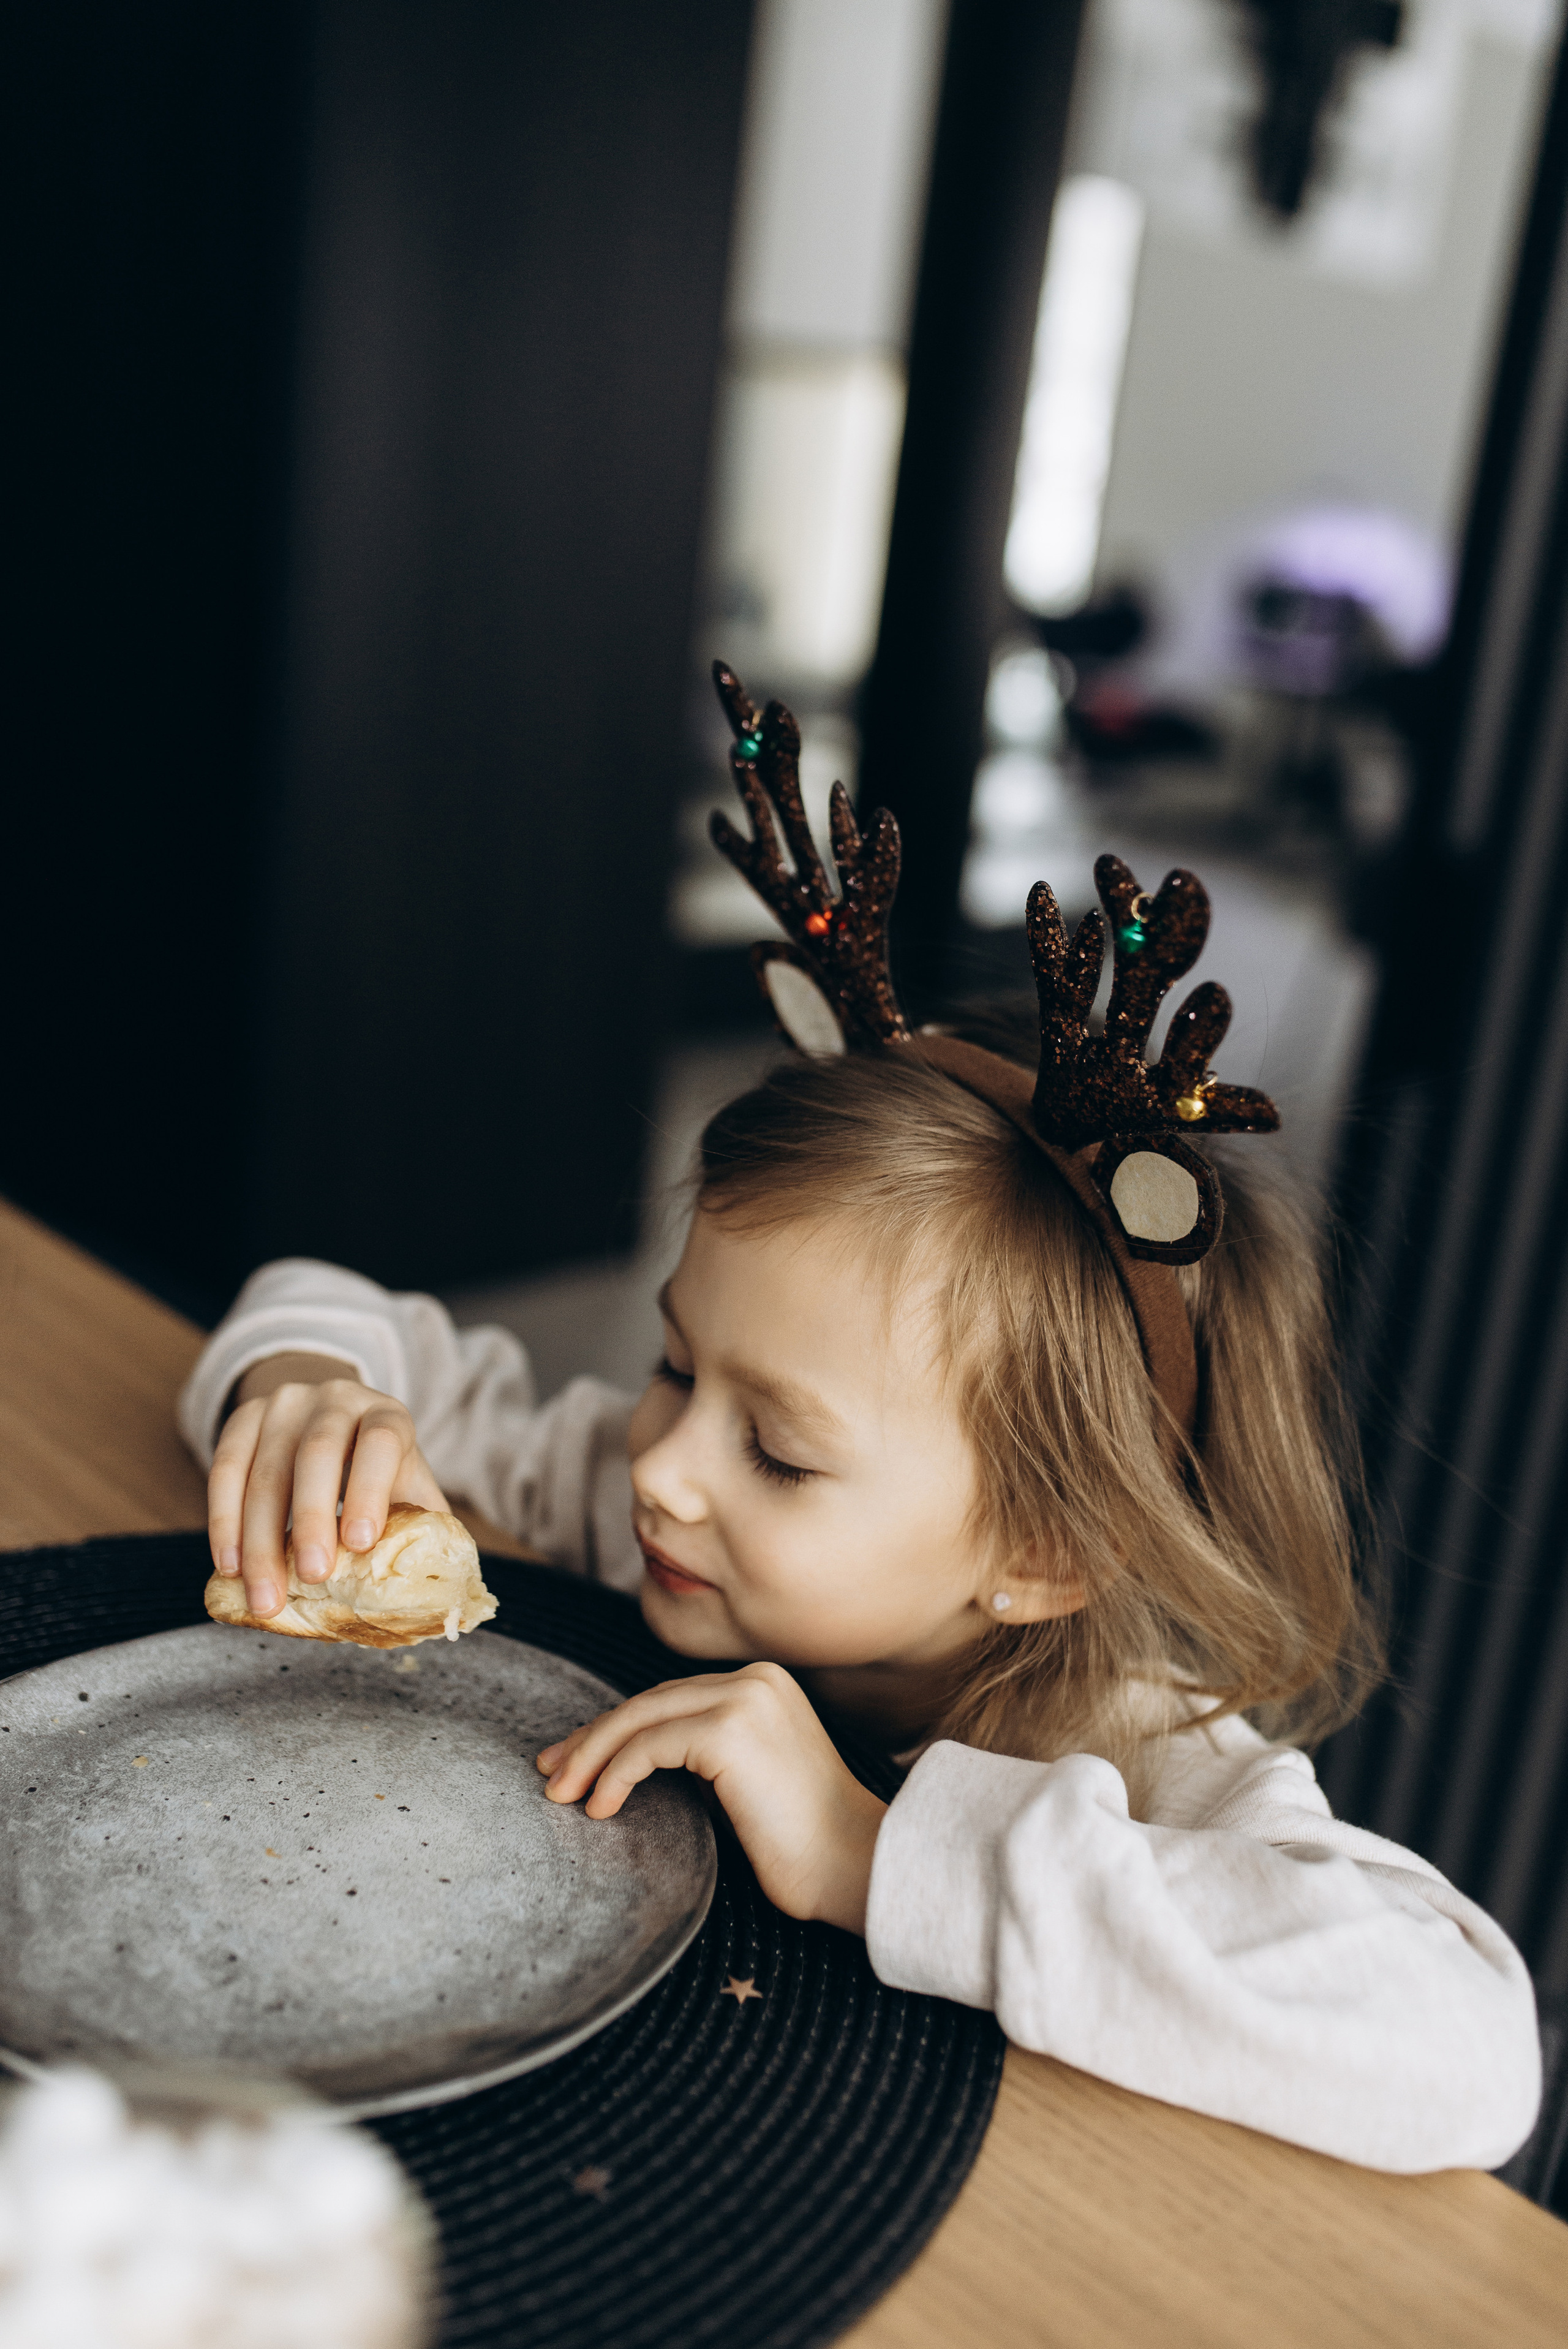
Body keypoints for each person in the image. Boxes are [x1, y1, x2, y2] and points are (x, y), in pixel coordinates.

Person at [175, 670, 1541, 2177]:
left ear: (1039, 1552)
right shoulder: (630, 1508)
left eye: (780, 1451)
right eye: (678, 1368)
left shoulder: (1143, 1749)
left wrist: (868, 1851)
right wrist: (306, 1384)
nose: (663, 1467)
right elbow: (327, 1300)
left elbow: (1463, 2046)